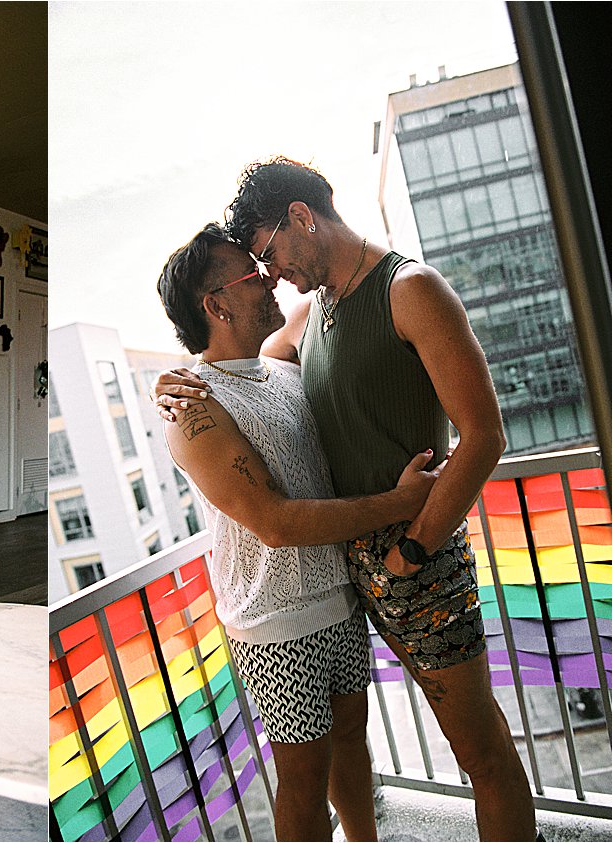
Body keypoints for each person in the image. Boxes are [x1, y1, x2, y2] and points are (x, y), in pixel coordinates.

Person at [155, 158, 537, 842]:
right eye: (256, 269)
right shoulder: (311, 315)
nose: (271, 275)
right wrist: (172, 382)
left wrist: (411, 546)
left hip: (410, 562)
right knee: (327, 765)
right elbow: (235, 376)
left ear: (302, 218)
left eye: (268, 255)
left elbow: (484, 436)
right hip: (332, 585)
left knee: (477, 751)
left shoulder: (407, 290)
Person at [157, 223, 441, 841]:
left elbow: (336, 285)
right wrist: (400, 502)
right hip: (275, 625)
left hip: (338, 598)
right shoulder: (194, 405)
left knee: (353, 747)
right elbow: (276, 523)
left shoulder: (281, 369)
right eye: (252, 275)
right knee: (305, 782)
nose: (270, 281)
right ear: (216, 305)